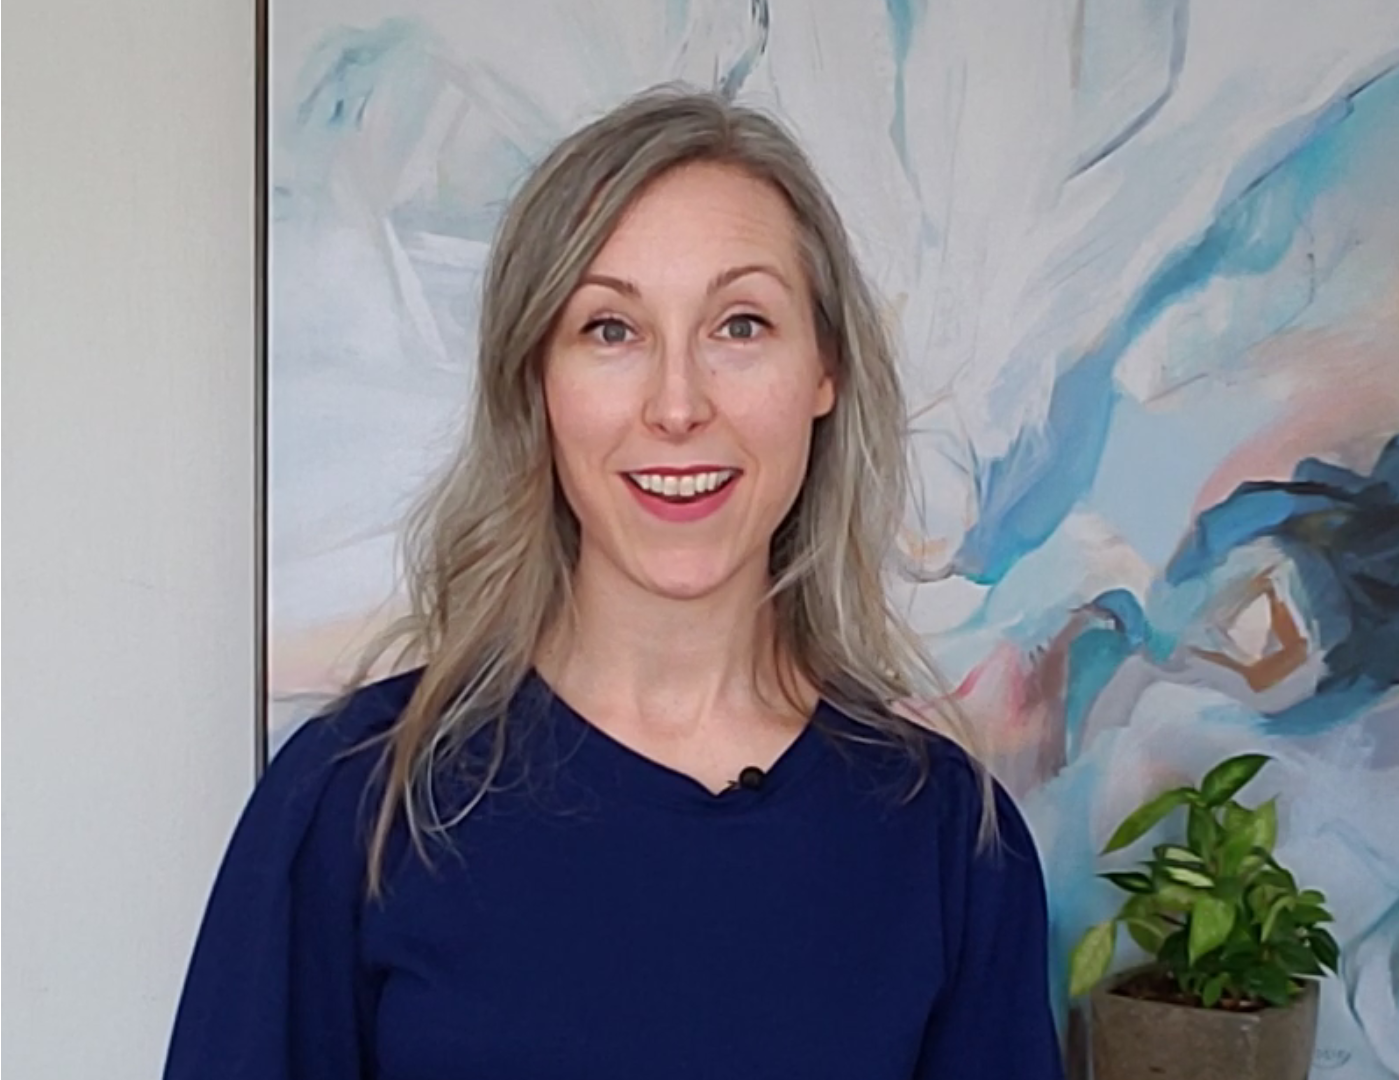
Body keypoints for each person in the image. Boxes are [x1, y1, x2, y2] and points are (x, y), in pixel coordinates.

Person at [163, 86, 1064, 1080]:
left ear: (825, 372)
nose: (677, 405)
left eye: (741, 325)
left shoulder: (952, 849)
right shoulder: (351, 805)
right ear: (535, 382)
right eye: (610, 330)